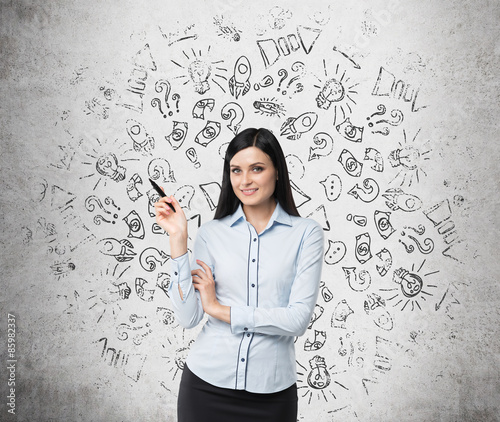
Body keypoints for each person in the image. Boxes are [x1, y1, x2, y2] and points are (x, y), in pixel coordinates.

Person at [154, 128, 324, 422]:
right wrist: (178, 240)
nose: (245, 181)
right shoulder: (211, 234)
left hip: (272, 393)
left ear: (278, 172)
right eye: (236, 170)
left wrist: (220, 310)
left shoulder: (306, 234)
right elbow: (188, 317)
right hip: (204, 388)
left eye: (256, 169)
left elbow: (297, 320)